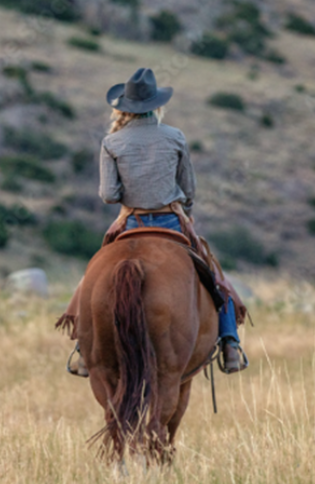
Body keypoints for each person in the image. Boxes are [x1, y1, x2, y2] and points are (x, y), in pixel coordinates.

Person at [58, 67, 248, 376]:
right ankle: (230, 344)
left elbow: (108, 194)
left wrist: (128, 200)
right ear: (156, 105)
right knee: (214, 278)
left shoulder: (112, 142)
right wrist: (183, 207)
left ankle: (81, 346)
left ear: (125, 106)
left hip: (130, 223)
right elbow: (189, 190)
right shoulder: (175, 136)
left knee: (92, 277)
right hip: (172, 221)